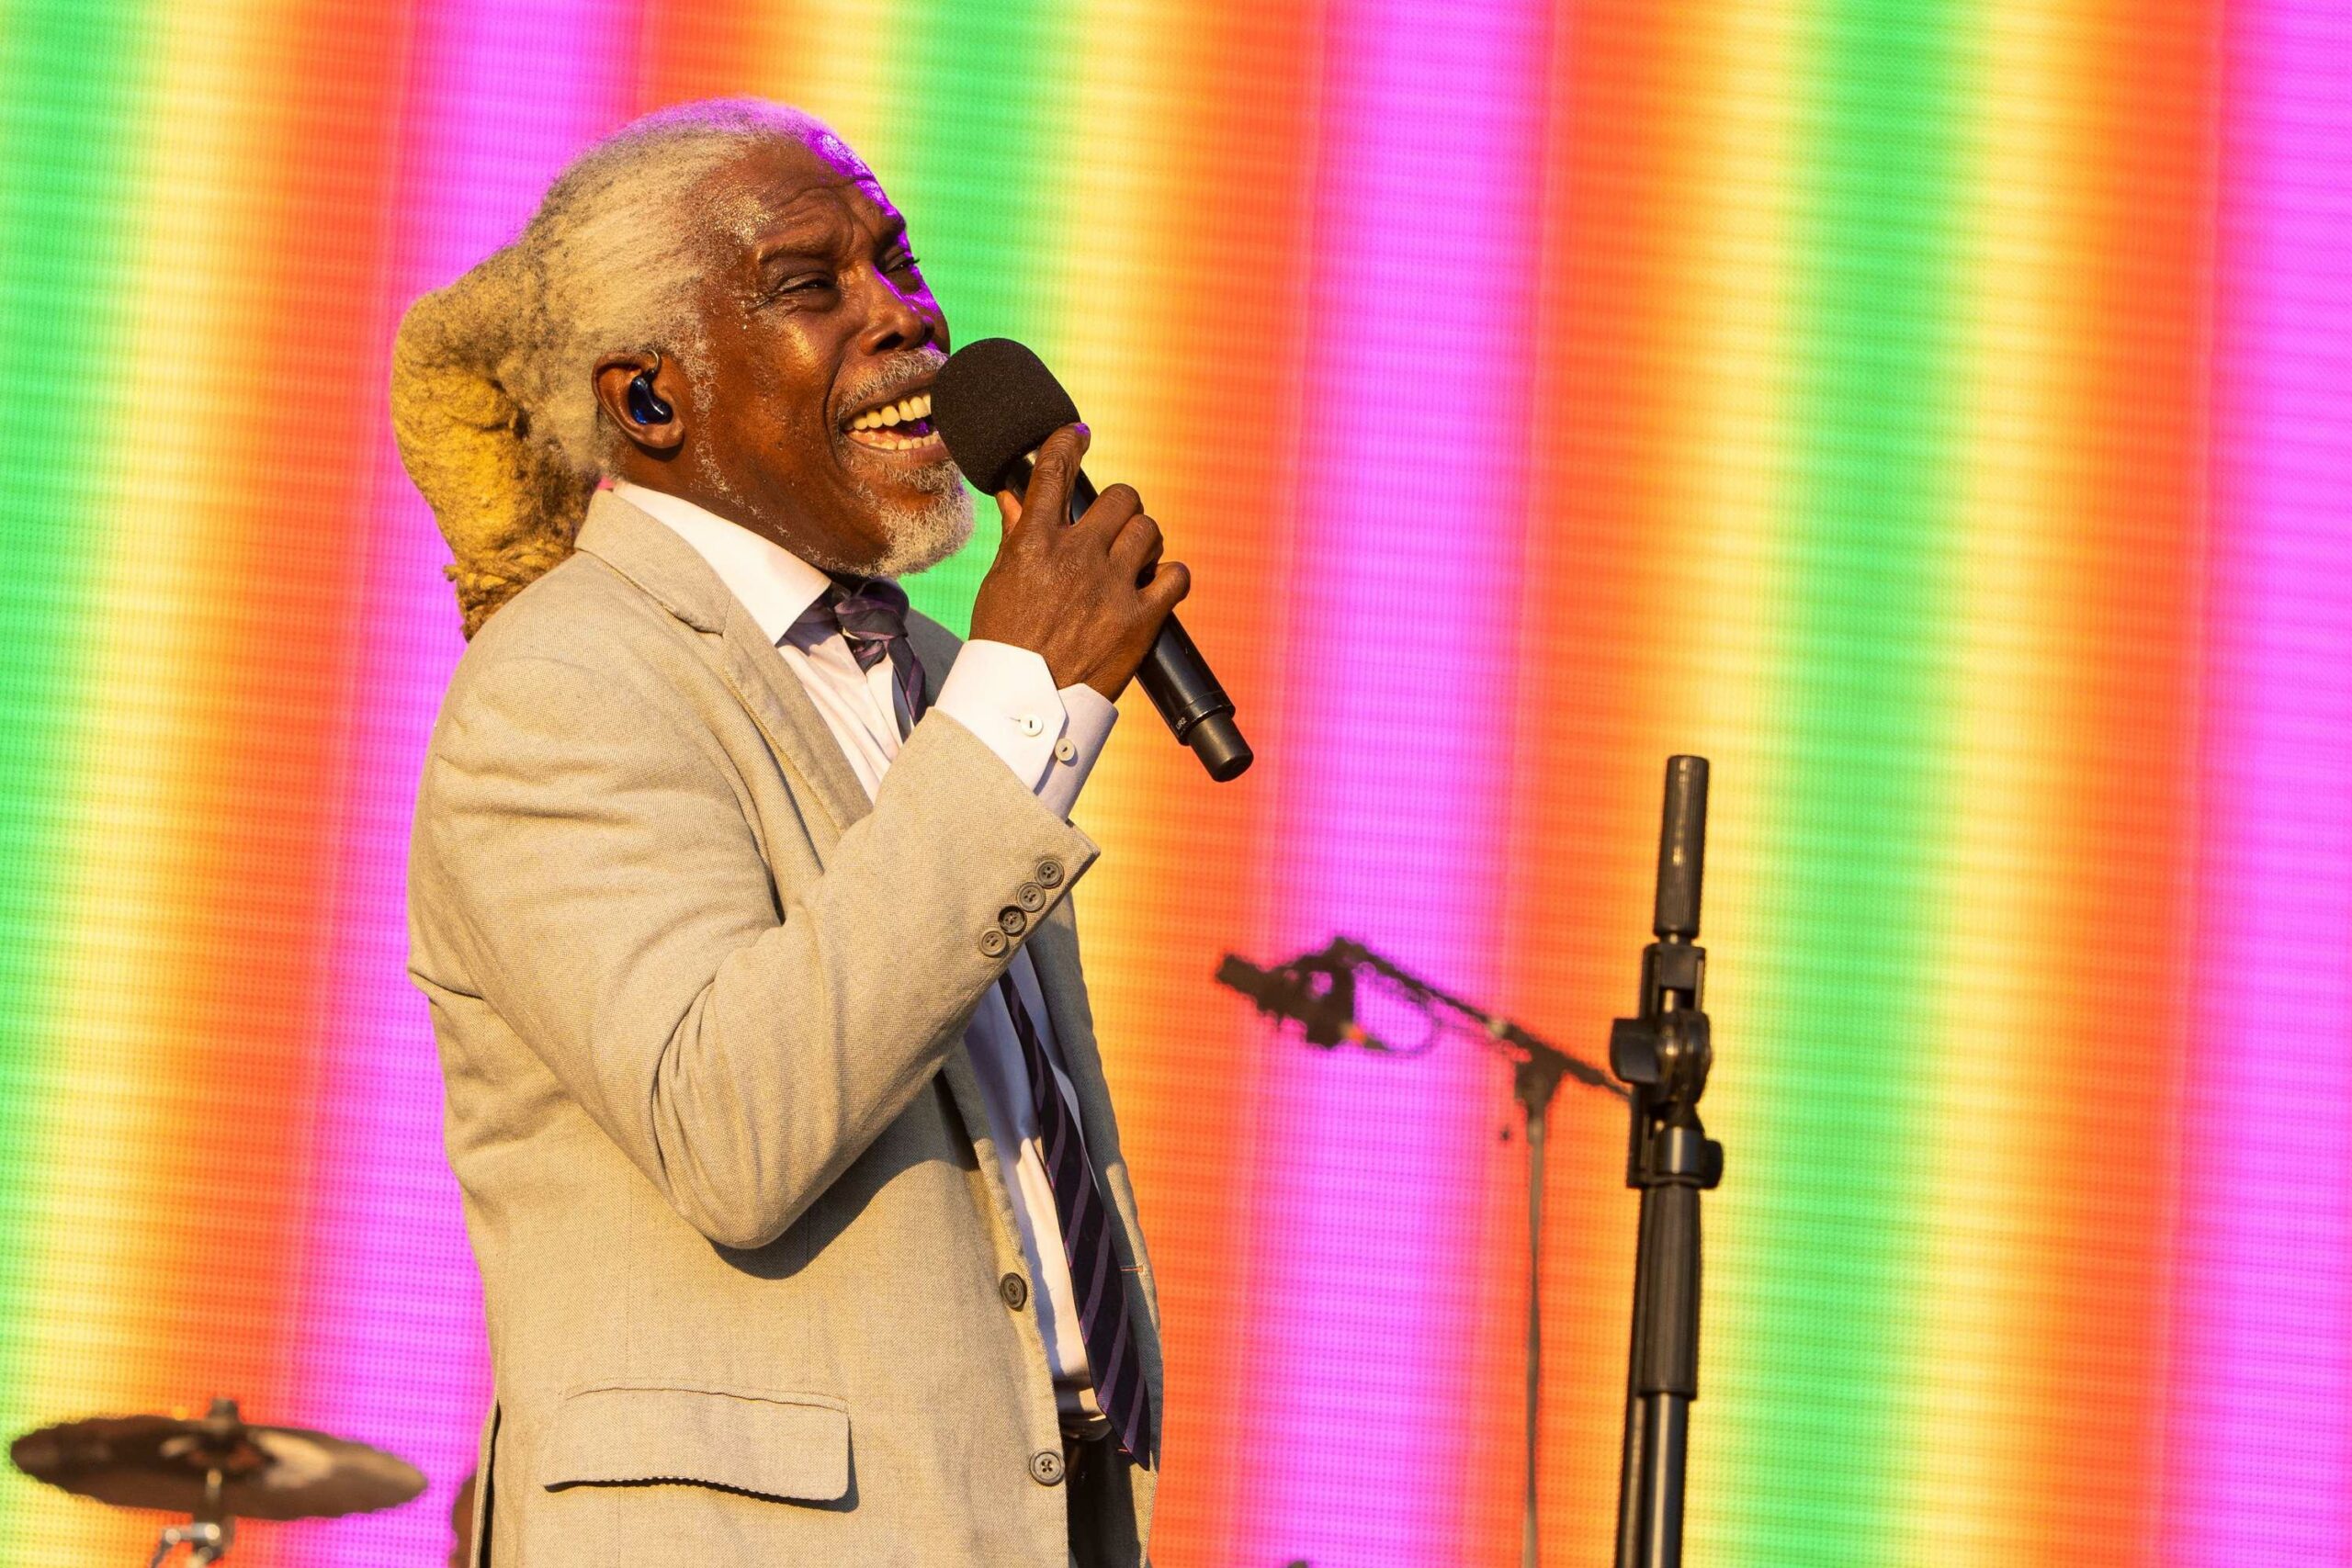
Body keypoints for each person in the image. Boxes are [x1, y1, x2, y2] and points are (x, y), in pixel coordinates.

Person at [390, 99, 1184, 1565]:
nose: (905, 317)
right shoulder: (567, 682)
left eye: (895, 262)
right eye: (811, 285)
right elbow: (734, 1126)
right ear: (649, 402)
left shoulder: (936, 676)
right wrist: (1021, 706)